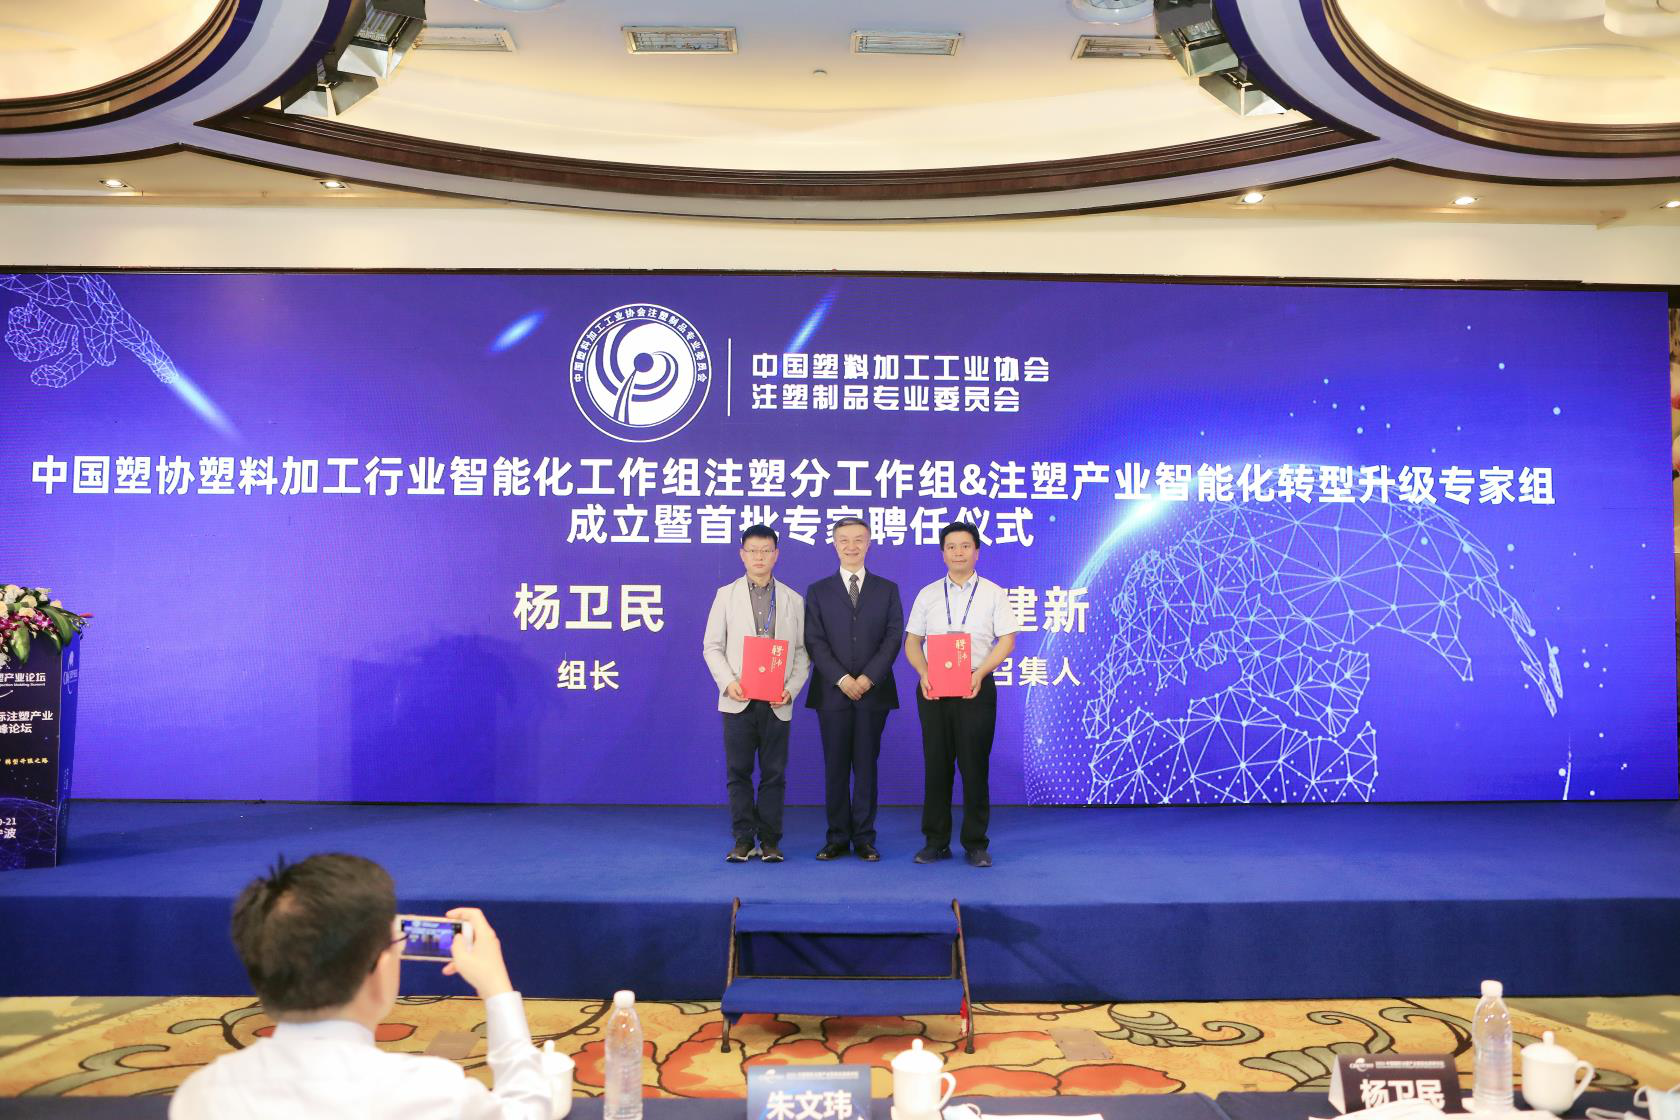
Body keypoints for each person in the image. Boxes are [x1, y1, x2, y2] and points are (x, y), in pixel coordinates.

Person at [170, 853, 548, 1120]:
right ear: (381, 968)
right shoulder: (434, 1092)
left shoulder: (200, 1095)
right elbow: (528, 1108)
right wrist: (498, 991)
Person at [903, 521, 1019, 868]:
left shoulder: (994, 593)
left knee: (974, 766)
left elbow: (1007, 639)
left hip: (975, 687)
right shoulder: (928, 594)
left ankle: (975, 843)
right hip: (934, 689)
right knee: (936, 766)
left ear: (976, 552)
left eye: (965, 546)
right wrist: (923, 672)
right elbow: (912, 641)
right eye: (951, 547)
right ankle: (935, 842)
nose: (958, 552)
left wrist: (980, 673)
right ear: (943, 553)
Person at [702, 524, 810, 863]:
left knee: (774, 774)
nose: (759, 557)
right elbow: (712, 646)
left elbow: (803, 651)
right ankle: (743, 838)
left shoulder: (793, 599)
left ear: (776, 555)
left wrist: (791, 689)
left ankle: (771, 840)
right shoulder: (725, 595)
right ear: (742, 555)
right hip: (739, 698)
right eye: (753, 551)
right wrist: (727, 682)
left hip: (777, 700)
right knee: (739, 772)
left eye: (766, 551)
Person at [803, 517, 904, 861]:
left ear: (869, 543)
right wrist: (843, 679)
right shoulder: (818, 590)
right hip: (832, 692)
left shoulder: (887, 589)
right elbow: (814, 640)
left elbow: (893, 637)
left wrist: (868, 678)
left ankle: (864, 837)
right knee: (835, 767)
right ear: (834, 544)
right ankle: (836, 837)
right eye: (844, 540)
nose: (851, 546)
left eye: (858, 539)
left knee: (866, 766)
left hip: (874, 692)